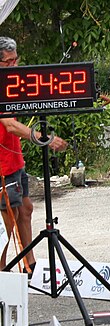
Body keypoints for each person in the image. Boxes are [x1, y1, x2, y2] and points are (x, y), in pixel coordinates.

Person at [0, 36, 68, 276]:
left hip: (15, 161)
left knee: (26, 209)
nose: (14, 66)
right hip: (2, 167)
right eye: (8, 62)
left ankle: (29, 265)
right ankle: (3, 274)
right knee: (8, 222)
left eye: (15, 60)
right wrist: (44, 139)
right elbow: (9, 124)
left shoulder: (11, 83)